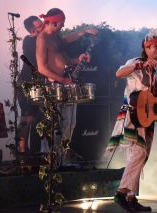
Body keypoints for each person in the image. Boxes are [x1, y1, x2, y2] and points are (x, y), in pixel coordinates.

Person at [106, 30, 157, 212]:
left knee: (141, 157)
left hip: (143, 119)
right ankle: (121, 192)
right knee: (138, 154)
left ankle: (131, 197)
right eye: (156, 46)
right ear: (146, 48)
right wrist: (140, 65)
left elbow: (152, 105)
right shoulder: (136, 62)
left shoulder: (153, 73)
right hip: (132, 118)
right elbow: (119, 73)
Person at [36, 8, 97, 159]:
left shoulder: (56, 37)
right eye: (61, 23)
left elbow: (65, 58)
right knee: (57, 124)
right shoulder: (42, 39)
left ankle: (63, 158)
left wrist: (78, 58)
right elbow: (42, 68)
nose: (63, 26)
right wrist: (62, 80)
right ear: (53, 22)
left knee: (71, 123)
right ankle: (52, 159)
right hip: (55, 85)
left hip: (67, 82)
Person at [17, 16, 43, 153]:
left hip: (36, 84)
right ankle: (22, 150)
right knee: (27, 117)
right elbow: (28, 59)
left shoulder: (42, 39)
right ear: (33, 30)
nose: (43, 26)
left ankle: (32, 151)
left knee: (33, 117)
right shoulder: (29, 40)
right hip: (26, 83)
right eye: (40, 26)